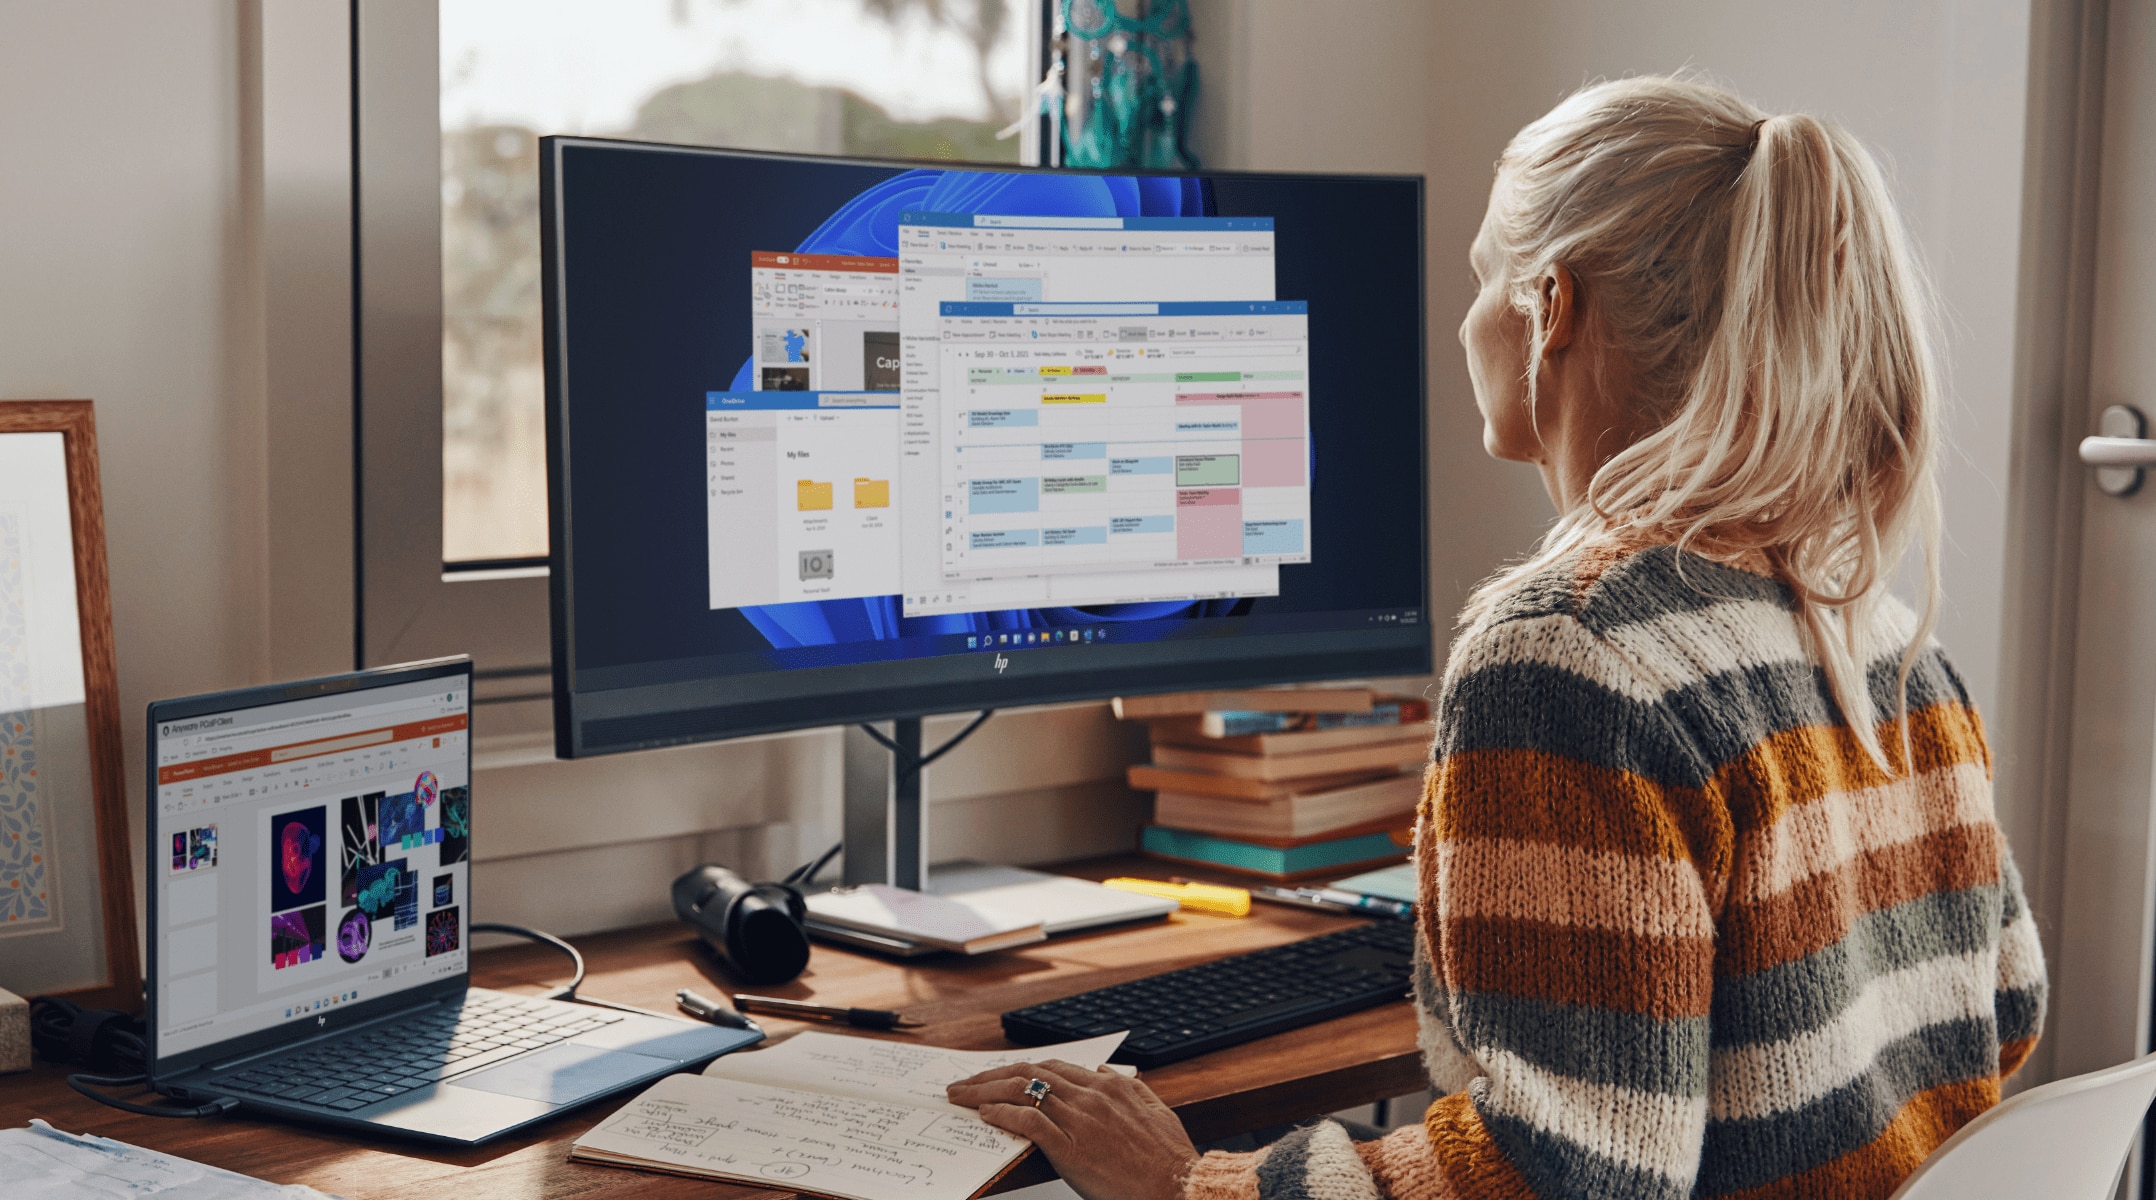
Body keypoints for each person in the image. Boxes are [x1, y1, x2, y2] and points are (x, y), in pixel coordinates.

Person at [947, 73, 2049, 1200]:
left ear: (1550, 303)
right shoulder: (1879, 635)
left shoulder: (1568, 652)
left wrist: (1189, 1187)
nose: (1465, 317)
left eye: (1481, 277)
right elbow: (2003, 1012)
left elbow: (1569, 1177)